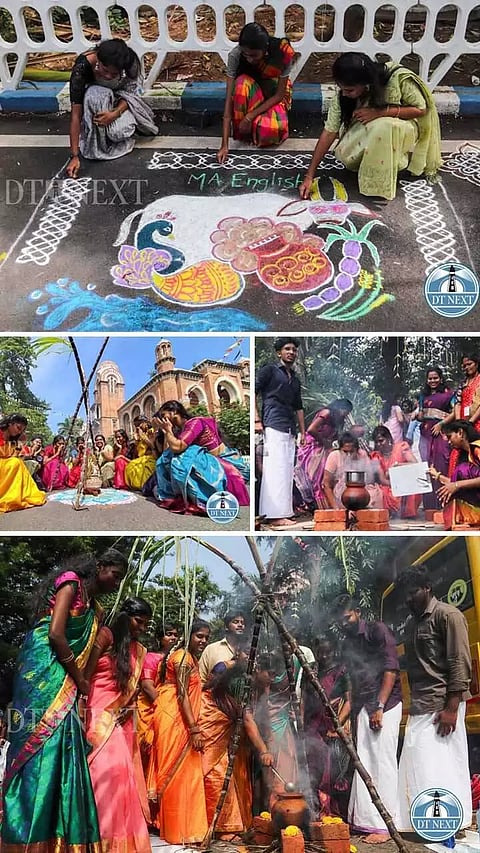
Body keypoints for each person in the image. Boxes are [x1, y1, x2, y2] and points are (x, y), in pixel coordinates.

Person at [1, 549, 128, 853]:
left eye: (120, 579)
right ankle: (25, 837)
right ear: (100, 567)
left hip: (68, 678)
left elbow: (83, 657)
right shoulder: (70, 584)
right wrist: (80, 679)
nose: (116, 583)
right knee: (38, 746)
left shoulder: (95, 611)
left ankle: (59, 838)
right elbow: (57, 634)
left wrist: (81, 687)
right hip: (43, 668)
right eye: (114, 575)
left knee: (64, 747)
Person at [300, 52, 442, 201]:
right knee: (348, 152)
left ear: (366, 84)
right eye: (341, 89)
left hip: (401, 128)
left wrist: (381, 112)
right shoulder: (344, 96)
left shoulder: (397, 78)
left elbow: (421, 109)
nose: (344, 94)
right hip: (372, 131)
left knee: (383, 126)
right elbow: (329, 132)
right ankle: (367, 162)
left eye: (349, 90)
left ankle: (380, 181)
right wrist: (309, 175)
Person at [394, 565, 472, 832]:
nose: (408, 599)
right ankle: (427, 824)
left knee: (444, 765)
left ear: (427, 588)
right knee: (419, 764)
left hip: (442, 705)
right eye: (405, 594)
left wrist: (451, 708)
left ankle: (451, 823)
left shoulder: (448, 616)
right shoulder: (412, 624)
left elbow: (459, 663)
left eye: (413, 592)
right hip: (420, 705)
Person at [85, 597, 153, 853]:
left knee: (121, 776)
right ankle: (94, 840)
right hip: (93, 714)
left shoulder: (140, 651)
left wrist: (129, 707)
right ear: (125, 616)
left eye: (146, 624)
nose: (142, 628)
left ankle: (116, 844)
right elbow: (84, 676)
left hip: (120, 720)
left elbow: (133, 688)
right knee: (103, 774)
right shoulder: (104, 636)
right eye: (139, 621)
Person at [332, 594, 402, 844]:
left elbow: (391, 669)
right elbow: (352, 680)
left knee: (382, 762)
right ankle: (365, 821)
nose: (344, 623)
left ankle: (385, 825)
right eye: (339, 620)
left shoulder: (377, 631)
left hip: (386, 705)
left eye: (347, 617)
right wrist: (351, 715)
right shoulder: (348, 643)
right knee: (365, 762)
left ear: (358, 612)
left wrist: (380, 707)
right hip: (363, 705)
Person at [146, 620, 211, 844]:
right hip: (175, 718)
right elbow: (182, 695)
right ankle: (178, 829)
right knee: (177, 773)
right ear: (188, 636)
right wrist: (194, 729)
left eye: (206, 637)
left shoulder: (190, 657)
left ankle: (183, 828)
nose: (203, 641)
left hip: (179, 717)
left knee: (186, 773)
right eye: (199, 636)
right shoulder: (183, 658)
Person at [200, 661, 274, 840]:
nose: (273, 679)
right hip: (211, 721)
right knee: (217, 773)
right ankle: (222, 828)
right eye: (270, 674)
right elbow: (247, 720)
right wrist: (264, 750)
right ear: (258, 670)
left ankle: (232, 825)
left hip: (225, 725)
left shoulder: (254, 684)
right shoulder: (243, 682)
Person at [66, 38, 158, 178]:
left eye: (114, 74)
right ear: (98, 59)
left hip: (121, 104)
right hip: (95, 103)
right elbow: (75, 115)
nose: (108, 76)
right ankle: (97, 141)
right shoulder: (82, 67)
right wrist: (74, 156)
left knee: (118, 132)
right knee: (95, 93)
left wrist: (114, 114)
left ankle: (120, 132)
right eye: (105, 70)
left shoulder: (131, 63)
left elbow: (132, 95)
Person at [217, 23, 296, 163]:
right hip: (251, 94)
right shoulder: (235, 55)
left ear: (265, 50)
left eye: (254, 55)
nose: (249, 59)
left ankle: (252, 125)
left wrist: (249, 117)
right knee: (241, 83)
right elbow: (229, 100)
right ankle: (247, 132)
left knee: (271, 131)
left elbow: (279, 95)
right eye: (246, 55)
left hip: (273, 95)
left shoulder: (283, 54)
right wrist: (224, 145)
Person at [154, 401, 249, 513]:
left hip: (223, 465)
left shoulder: (195, 423)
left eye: (164, 416)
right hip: (209, 465)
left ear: (174, 412)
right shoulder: (181, 430)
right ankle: (173, 496)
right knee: (169, 456)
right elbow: (165, 453)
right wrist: (166, 432)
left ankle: (201, 499)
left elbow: (178, 447)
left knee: (182, 458)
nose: (163, 420)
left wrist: (168, 430)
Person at [255, 338, 305, 528]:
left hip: (289, 427)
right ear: (279, 353)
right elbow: (254, 391)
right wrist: (256, 419)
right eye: (287, 349)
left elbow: (298, 407)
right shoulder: (270, 370)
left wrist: (303, 431)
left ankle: (284, 512)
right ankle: (273, 515)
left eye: (293, 349)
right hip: (273, 423)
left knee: (285, 470)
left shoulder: (295, 379)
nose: (291, 352)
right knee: (274, 469)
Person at [303, 637, 352, 819]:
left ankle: (329, 811)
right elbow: (303, 700)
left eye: (327, 652)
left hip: (332, 725)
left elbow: (349, 702)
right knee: (312, 768)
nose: (324, 656)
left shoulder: (341, 671)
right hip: (312, 726)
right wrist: (302, 724)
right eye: (320, 652)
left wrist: (336, 726)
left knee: (331, 770)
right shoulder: (310, 671)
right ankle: (314, 810)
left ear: (333, 651)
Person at [294, 400, 354, 510]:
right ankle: (315, 506)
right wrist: (324, 442)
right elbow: (311, 429)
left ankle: (325, 505)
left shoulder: (340, 421)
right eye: (345, 410)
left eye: (348, 412)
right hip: (312, 446)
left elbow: (337, 438)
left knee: (327, 476)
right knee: (314, 478)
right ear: (339, 407)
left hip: (326, 448)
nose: (346, 413)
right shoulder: (326, 413)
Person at [137, 622, 179, 756]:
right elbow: (147, 686)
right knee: (146, 749)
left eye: (176, 635)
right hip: (149, 708)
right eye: (169, 634)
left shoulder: (177, 659)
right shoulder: (151, 658)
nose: (173, 638)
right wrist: (164, 708)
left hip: (168, 710)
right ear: (160, 638)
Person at [415, 366, 454, 509]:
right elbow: (421, 415)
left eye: (435, 378)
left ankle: (444, 504)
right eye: (430, 378)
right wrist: (419, 416)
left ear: (440, 378)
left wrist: (441, 425)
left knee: (441, 464)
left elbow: (455, 413)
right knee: (426, 465)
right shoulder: (423, 395)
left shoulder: (449, 394)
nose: (433, 381)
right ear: (427, 380)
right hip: (425, 434)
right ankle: (430, 506)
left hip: (441, 433)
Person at [430, 420, 480, 528]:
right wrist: (437, 475)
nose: (448, 442)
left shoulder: (478, 449)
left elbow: (457, 484)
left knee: (463, 469)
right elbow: (454, 484)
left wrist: (456, 485)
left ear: (460, 433)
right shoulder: (466, 454)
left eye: (449, 437)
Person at [322, 431, 385, 510]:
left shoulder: (362, 454)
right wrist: (336, 508)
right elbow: (326, 484)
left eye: (351, 452)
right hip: (341, 493)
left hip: (362, 490)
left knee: (375, 495)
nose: (348, 455)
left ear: (357, 449)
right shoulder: (334, 456)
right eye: (345, 452)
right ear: (340, 449)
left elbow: (369, 479)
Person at [370, 425, 420, 518]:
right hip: (387, 486)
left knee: (413, 488)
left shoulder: (401, 447)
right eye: (377, 442)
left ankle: (407, 514)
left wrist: (397, 467)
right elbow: (382, 480)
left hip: (404, 484)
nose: (379, 444)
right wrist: (395, 486)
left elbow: (415, 464)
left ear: (389, 438)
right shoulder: (375, 456)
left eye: (381, 440)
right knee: (378, 493)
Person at [0, 414, 46, 513]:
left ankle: (19, 494)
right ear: (9, 424)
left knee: (18, 462)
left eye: (22, 430)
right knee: (16, 463)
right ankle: (8, 495)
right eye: (18, 428)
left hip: (7, 462)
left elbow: (13, 455)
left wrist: (19, 445)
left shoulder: (14, 439)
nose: (19, 431)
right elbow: (5, 453)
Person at [449, 352, 480, 476]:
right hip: (462, 424)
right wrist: (458, 423)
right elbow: (457, 403)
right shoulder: (462, 384)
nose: (467, 367)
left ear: (477, 364)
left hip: (476, 422)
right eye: (464, 365)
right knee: (456, 454)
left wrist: (470, 422)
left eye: (470, 364)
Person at [199, 610, 246, 683]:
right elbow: (200, 679)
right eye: (235, 622)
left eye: (242, 623)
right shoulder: (212, 649)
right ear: (226, 627)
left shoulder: (247, 651)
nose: (240, 625)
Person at [124, 416, 157, 491]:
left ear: (145, 423)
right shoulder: (139, 435)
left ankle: (146, 486)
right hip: (141, 458)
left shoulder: (151, 431)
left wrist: (143, 436)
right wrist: (137, 441)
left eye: (139, 424)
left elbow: (152, 446)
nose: (138, 427)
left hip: (152, 456)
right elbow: (137, 453)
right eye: (136, 426)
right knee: (131, 466)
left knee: (144, 468)